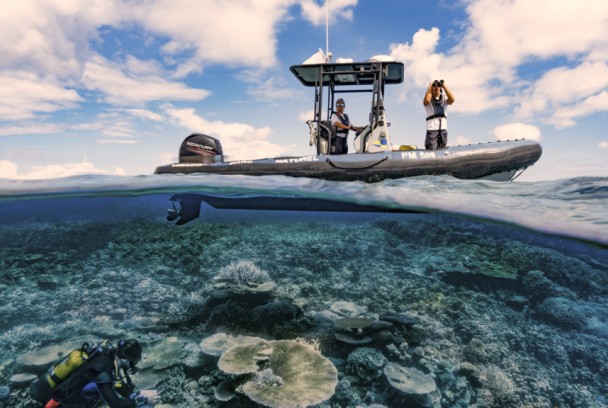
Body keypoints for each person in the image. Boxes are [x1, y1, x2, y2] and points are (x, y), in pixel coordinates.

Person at [45, 339, 151, 408]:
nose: (133, 366)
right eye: (134, 362)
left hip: (69, 399)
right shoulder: (102, 371)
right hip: (60, 404)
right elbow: (115, 404)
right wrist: (141, 401)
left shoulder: (109, 355)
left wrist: (133, 395)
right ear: (127, 359)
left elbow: (117, 383)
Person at [423, 79, 455, 150]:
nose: (436, 87)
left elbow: (452, 100)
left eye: (438, 86)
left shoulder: (444, 99)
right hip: (432, 131)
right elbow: (426, 101)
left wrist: (443, 85)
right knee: (432, 152)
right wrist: (430, 86)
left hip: (443, 131)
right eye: (434, 86)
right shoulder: (428, 100)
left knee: (442, 152)